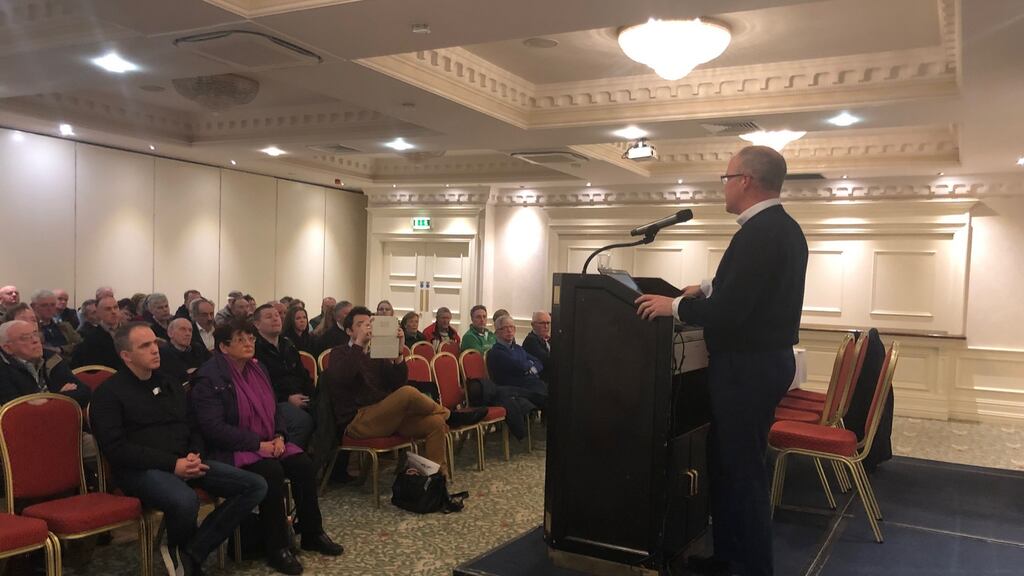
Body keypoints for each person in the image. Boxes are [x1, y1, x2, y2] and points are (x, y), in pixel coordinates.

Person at [635, 146, 808, 576]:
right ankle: (729, 559)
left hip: (747, 367)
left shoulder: (760, 232)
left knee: (743, 474)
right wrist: (706, 286)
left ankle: (750, 568)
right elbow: (747, 285)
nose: (724, 186)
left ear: (746, 180)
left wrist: (672, 306)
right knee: (731, 468)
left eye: (726, 178)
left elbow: (733, 311)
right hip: (760, 363)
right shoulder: (780, 228)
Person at [90, 322, 268, 576]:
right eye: (145, 346)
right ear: (126, 356)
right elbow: (117, 449)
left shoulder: (169, 382)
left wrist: (194, 453)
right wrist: (173, 465)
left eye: (155, 343)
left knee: (255, 485)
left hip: (186, 460)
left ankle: (192, 550)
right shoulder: (108, 393)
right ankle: (186, 555)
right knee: (185, 500)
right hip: (140, 470)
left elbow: (192, 425)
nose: (155, 350)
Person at [191, 320, 343, 575]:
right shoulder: (210, 377)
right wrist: (257, 444)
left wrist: (280, 435)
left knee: (302, 464)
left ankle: (312, 532)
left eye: (251, 338)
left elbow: (274, 409)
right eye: (241, 339)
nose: (249, 343)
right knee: (270, 471)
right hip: (230, 449)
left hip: (267, 441)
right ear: (224, 347)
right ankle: (277, 547)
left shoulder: (257, 368)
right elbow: (213, 428)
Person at [319, 307, 486, 471]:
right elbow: (343, 376)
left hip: (386, 415)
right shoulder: (339, 353)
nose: (366, 328)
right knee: (408, 392)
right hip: (357, 420)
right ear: (349, 331)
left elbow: (398, 383)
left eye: (369, 324)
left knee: (435, 423)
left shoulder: (376, 352)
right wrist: (358, 344)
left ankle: (436, 479)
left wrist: (398, 353)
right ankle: (450, 415)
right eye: (360, 325)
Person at [252, 304, 315, 449]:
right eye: (269, 317)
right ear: (257, 324)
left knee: (326, 414)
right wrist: (287, 398)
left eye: (277, 315)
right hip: (275, 401)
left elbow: (303, 375)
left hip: (300, 396)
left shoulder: (287, 345)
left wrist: (312, 395)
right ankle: (288, 457)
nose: (276, 319)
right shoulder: (254, 349)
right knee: (302, 421)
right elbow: (260, 386)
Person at [0, 320, 90, 408]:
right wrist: (61, 396)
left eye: (35, 334)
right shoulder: (3, 369)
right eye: (25, 338)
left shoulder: (51, 358)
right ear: (8, 348)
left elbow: (84, 393)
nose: (35, 340)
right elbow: (15, 411)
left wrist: (51, 398)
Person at [487, 315, 548, 410]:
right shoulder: (496, 351)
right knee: (545, 394)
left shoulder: (518, 348)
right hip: (512, 387)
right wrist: (529, 365)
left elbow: (538, 362)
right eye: (505, 328)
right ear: (497, 332)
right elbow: (519, 366)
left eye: (511, 327)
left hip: (527, 384)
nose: (509, 330)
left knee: (547, 390)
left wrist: (530, 369)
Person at [72, 295, 124, 369]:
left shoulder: (130, 331)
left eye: (115, 307)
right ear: (98, 313)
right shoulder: (91, 338)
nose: (113, 312)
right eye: (108, 309)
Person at [157, 318, 211, 385]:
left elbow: (212, 366)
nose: (188, 334)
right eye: (183, 329)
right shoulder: (162, 354)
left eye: (190, 330)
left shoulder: (198, 348)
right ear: (170, 333)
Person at [31, 289, 83, 357]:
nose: (49, 308)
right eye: (44, 305)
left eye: (52, 305)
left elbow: (81, 344)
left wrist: (61, 349)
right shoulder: (30, 329)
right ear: (33, 306)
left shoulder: (65, 326)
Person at [522, 311, 552, 382]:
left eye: (548, 323)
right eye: (542, 323)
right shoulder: (531, 340)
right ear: (533, 325)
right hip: (539, 380)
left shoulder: (546, 339)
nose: (546, 326)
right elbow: (546, 360)